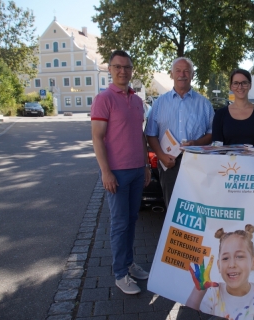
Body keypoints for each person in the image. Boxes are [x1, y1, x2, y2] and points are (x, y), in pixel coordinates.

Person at [91, 50, 151, 294]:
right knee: (119, 224)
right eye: (117, 67)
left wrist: (146, 164)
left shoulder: (137, 101)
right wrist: (106, 172)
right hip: (117, 172)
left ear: (131, 69)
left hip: (137, 170)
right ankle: (119, 274)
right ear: (110, 69)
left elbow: (140, 134)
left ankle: (129, 263)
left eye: (126, 67)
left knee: (132, 220)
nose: (122, 71)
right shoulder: (104, 98)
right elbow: (97, 137)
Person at [145, 57, 214, 208]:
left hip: (197, 163)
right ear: (171, 74)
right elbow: (151, 134)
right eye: (178, 70)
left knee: (197, 208)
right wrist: (161, 157)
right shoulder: (159, 103)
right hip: (170, 164)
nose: (182, 74)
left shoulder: (204, 104)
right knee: (172, 209)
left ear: (192, 75)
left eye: (186, 71)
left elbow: (212, 133)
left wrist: (196, 143)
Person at [212, 69, 254, 186]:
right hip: (227, 175)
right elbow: (217, 149)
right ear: (231, 86)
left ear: (249, 85)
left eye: (244, 83)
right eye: (236, 83)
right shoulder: (220, 115)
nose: (240, 87)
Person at [186, 224, 254, 319]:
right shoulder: (213, 293)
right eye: (225, 258)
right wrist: (198, 290)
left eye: (240, 256)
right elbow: (188, 315)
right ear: (219, 265)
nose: (232, 264)